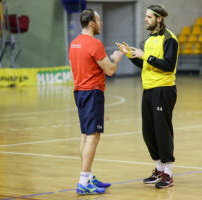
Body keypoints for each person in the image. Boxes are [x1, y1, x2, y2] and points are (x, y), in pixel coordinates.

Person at [116, 4, 178, 189]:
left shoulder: (170, 38)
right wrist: (129, 54)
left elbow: (168, 65)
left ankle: (168, 172)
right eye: (145, 16)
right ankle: (159, 169)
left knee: (162, 129)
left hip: (163, 89)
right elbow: (146, 64)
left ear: (159, 19)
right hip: (149, 89)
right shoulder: (149, 39)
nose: (145, 19)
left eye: (149, 17)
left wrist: (146, 56)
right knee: (148, 131)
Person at [69, 8, 122, 195]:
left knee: (85, 134)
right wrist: (116, 58)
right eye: (99, 21)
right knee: (93, 136)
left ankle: (89, 176)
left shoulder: (73, 43)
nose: (101, 23)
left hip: (79, 92)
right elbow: (110, 70)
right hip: (92, 93)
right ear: (91, 23)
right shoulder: (95, 44)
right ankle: (84, 180)